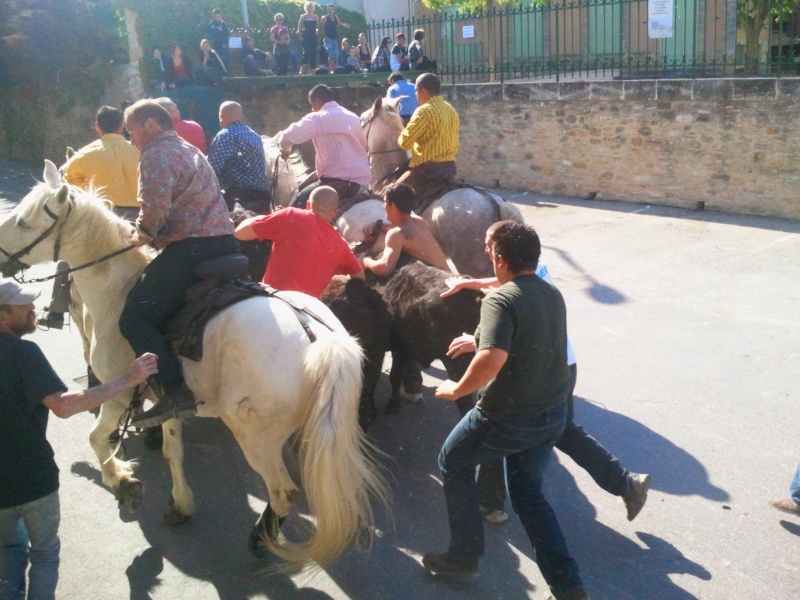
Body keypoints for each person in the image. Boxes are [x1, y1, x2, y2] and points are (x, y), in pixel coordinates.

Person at [440, 227, 652, 524]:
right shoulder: (535, 273)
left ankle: (490, 502)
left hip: (542, 366)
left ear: (501, 254)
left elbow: (507, 334)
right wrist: (472, 285)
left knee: (496, 424)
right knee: (561, 429)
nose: (487, 252)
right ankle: (625, 483)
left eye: (489, 246)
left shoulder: (508, 294)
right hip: (562, 364)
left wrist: (461, 384)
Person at [425, 222, 588, 600]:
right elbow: (524, 336)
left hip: (508, 416)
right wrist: (478, 338)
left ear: (500, 259)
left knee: (453, 460)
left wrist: (456, 388)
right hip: (552, 415)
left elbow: (493, 359)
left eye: (489, 252)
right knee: (530, 499)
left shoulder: (499, 300)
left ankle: (463, 557)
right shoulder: (551, 293)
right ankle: (569, 588)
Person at [0, 278, 158, 600]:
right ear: (2, 315)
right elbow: (64, 405)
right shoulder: (23, 353)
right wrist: (128, 379)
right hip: (33, 481)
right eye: (23, 305)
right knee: (43, 553)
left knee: (10, 551)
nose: (32, 308)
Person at [120, 100, 238, 429]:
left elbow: (154, 214)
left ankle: (174, 390)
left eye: (132, 132)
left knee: (134, 317)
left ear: (151, 126)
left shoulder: (155, 155)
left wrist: (138, 235)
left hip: (193, 250)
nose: (132, 141)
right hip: (225, 242)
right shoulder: (189, 148)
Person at [41, 105, 143, 329]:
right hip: (140, 220)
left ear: (97, 127)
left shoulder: (83, 156)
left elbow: (70, 199)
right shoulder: (140, 151)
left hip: (102, 221)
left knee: (67, 261)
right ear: (121, 127)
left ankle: (56, 311)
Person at [233, 186, 365, 298]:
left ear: (308, 204)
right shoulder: (341, 244)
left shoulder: (290, 215)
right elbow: (360, 277)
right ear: (335, 212)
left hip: (273, 298)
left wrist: (264, 218)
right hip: (306, 314)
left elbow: (240, 233)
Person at [278, 84, 371, 208]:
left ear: (317, 101)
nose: (312, 109)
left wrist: (286, 151)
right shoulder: (353, 117)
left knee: (295, 205)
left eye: (312, 105)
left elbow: (286, 136)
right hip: (362, 183)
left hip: (336, 183)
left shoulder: (317, 118)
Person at [359, 183, 450, 278]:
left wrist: (366, 261)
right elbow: (405, 231)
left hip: (439, 280)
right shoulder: (419, 221)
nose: (383, 206)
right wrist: (380, 226)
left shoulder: (395, 235)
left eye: (385, 202)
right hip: (450, 275)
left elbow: (384, 269)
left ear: (393, 206)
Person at [397, 73, 460, 194]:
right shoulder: (451, 109)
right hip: (450, 169)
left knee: (391, 195)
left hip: (427, 170)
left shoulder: (423, 111)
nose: (415, 94)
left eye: (416, 90)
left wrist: (402, 132)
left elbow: (404, 144)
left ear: (423, 90)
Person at [208, 101, 271, 212]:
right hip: (263, 195)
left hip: (239, 199)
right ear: (241, 117)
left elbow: (212, 169)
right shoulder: (255, 135)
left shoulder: (225, 135)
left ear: (222, 117)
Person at [320, 3, 349, 71]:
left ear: (334, 10)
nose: (331, 11)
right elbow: (321, 28)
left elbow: (340, 24)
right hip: (328, 39)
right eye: (329, 9)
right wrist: (325, 37)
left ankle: (334, 69)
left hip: (334, 39)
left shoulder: (336, 17)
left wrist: (345, 25)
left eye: (332, 9)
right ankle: (331, 70)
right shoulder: (325, 18)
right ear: (327, 9)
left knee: (336, 55)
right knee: (331, 54)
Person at [297, 2, 320, 75]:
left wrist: (317, 31)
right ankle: (302, 68)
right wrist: (300, 37)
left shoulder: (316, 16)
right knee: (306, 52)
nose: (309, 9)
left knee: (313, 53)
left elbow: (318, 27)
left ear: (313, 8)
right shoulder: (303, 16)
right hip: (306, 37)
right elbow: (299, 27)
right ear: (306, 8)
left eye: (311, 7)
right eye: (308, 7)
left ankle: (313, 70)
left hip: (313, 37)